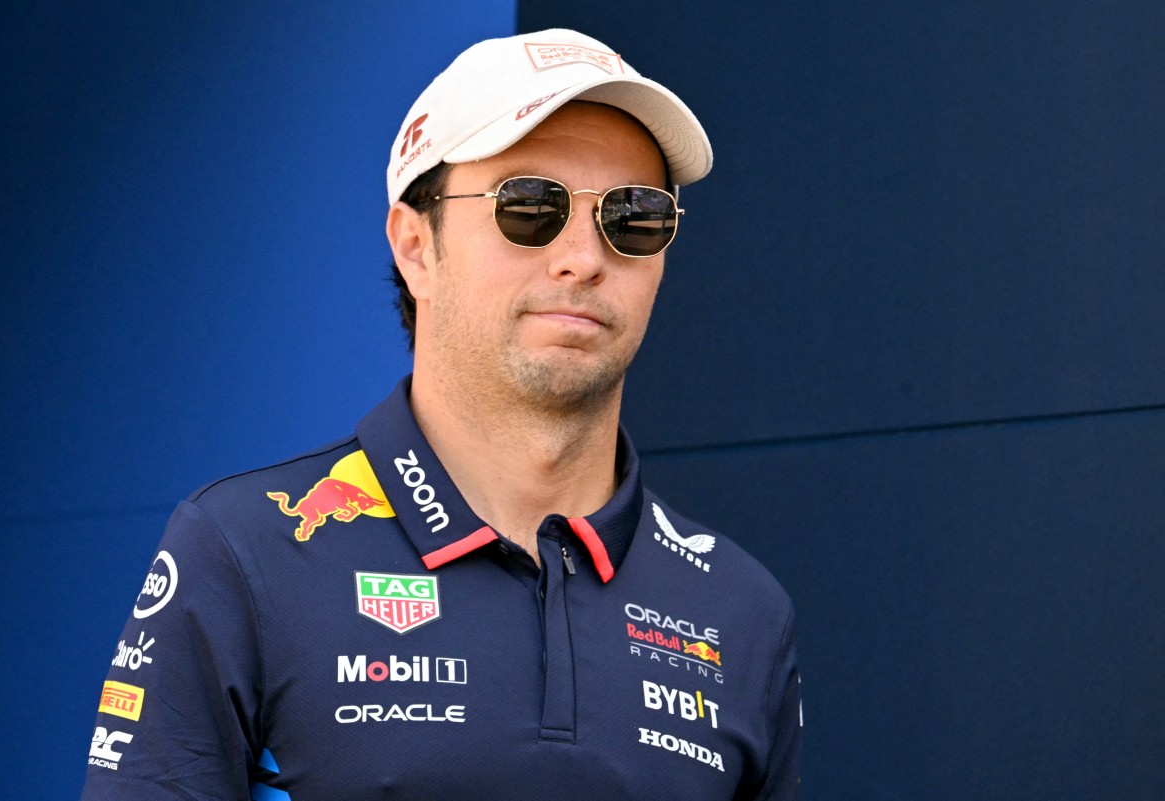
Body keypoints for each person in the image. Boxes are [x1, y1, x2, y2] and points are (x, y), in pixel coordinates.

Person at [80, 28, 802, 801]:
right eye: (531, 206)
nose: (584, 258)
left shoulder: (740, 608)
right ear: (416, 246)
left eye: (633, 217)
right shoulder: (246, 551)